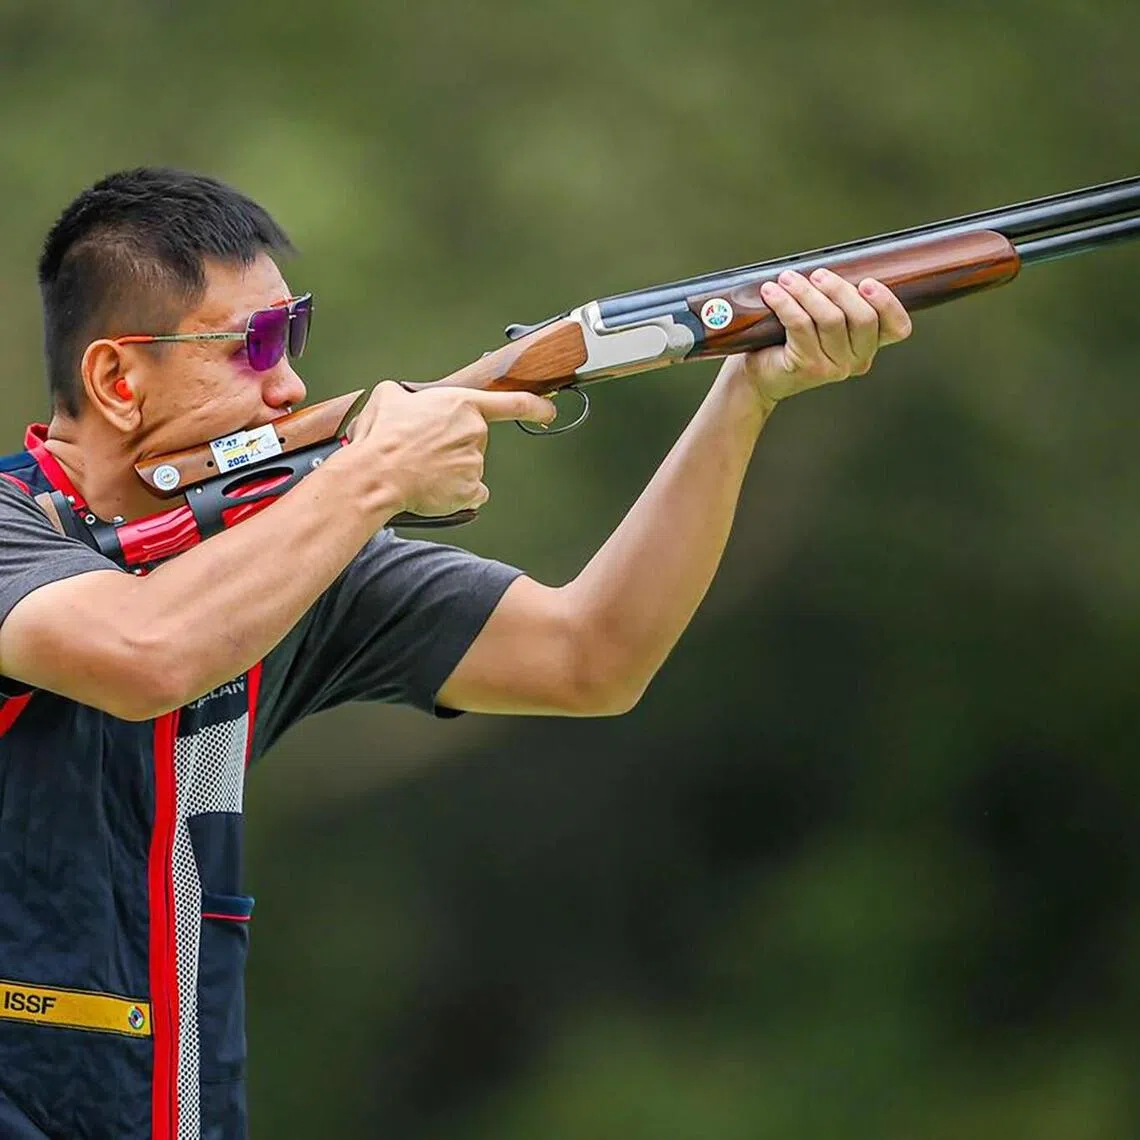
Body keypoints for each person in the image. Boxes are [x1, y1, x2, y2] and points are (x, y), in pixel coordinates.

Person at [0, 168, 912, 1139]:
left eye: (292, 334)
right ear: (114, 379)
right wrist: (376, 474)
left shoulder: (283, 558)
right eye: (254, 346)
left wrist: (745, 396)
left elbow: (591, 657)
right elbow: (148, 653)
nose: (292, 382)